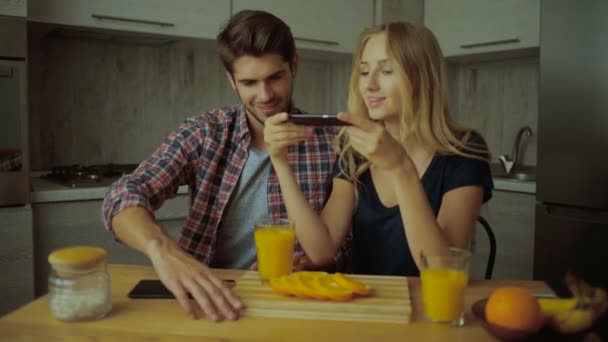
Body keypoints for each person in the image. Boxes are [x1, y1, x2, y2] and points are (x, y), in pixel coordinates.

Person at [101, 10, 337, 321]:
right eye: (249, 82)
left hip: (294, 303)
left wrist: (313, 263)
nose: (265, 95)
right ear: (231, 80)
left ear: (294, 65)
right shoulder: (205, 133)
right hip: (206, 296)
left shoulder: (329, 143)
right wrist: (162, 249)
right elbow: (123, 194)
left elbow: (343, 244)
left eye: (275, 78)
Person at [264, 21, 493, 277]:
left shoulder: (464, 151)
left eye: (386, 71)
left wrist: (400, 168)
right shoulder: (355, 149)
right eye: (364, 72)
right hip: (367, 306)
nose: (369, 85)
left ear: (421, 77)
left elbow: (442, 270)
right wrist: (280, 162)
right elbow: (321, 249)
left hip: (431, 309)